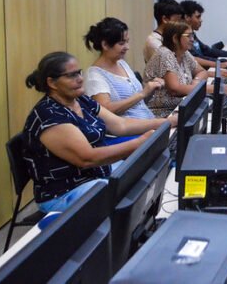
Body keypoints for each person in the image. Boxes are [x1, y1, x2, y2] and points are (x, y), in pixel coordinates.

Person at [22, 52, 177, 213]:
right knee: (129, 191)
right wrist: (139, 143)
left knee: (146, 171)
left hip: (96, 175)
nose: (80, 79)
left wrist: (167, 122)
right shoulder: (49, 116)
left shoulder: (80, 100)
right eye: (72, 75)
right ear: (52, 83)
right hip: (64, 192)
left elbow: (120, 125)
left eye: (79, 72)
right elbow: (87, 158)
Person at [84, 17, 165, 144]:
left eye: (127, 42)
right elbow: (105, 110)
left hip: (148, 125)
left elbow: (137, 102)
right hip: (130, 136)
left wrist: (151, 88)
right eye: (121, 43)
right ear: (105, 45)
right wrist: (142, 93)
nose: (127, 47)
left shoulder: (122, 63)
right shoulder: (95, 75)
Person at [143, 22, 215, 117]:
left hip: (181, 107)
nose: (192, 39)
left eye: (192, 35)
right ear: (175, 38)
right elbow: (175, 89)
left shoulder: (184, 53)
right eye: (188, 36)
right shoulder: (165, 54)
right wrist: (206, 89)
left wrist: (196, 82)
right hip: (163, 113)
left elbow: (202, 72)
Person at [143, 0, 184, 64]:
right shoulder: (153, 42)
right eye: (177, 21)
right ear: (165, 19)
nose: (180, 25)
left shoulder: (171, 38)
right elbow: (170, 65)